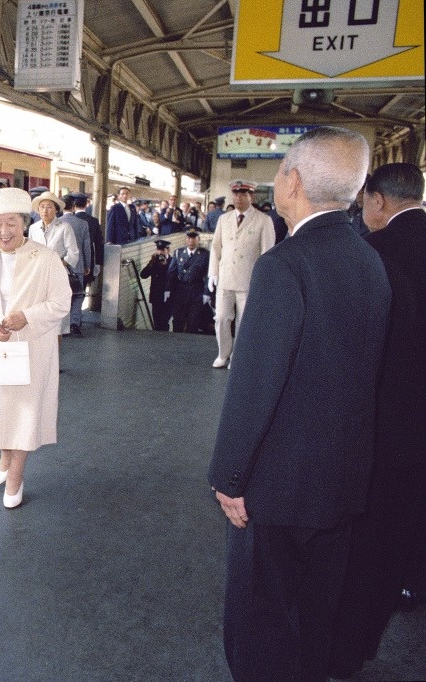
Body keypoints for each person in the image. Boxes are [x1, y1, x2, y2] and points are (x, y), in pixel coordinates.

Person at [207, 126, 391, 682]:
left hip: (282, 484)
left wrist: (229, 474)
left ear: (292, 182)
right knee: (315, 614)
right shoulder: (367, 259)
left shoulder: (287, 264)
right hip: (343, 477)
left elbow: (255, 383)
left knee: (262, 621)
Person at [328, 162, 426, 678]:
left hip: (386, 424)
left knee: (369, 540)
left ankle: (347, 649)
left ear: (378, 200)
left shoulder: (375, 257)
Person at [0, 187, 71, 509]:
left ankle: (15, 477)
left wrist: (27, 317)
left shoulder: (46, 258)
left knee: (23, 413)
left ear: (24, 223)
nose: (4, 231)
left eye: (11, 223)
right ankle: (4, 459)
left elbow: (61, 302)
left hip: (33, 348)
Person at [208, 179, 276, 368]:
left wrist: (263, 281)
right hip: (225, 278)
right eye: (235, 194)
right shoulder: (224, 219)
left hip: (248, 281)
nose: (238, 198)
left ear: (251, 196)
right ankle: (223, 353)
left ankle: (238, 355)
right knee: (221, 318)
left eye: (243, 194)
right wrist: (212, 273)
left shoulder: (264, 220)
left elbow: (267, 254)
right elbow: (215, 247)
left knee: (243, 322)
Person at [28, 191, 79, 336]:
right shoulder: (33, 228)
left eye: (49, 207)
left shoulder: (64, 227)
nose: (45, 210)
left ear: (56, 209)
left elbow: (74, 253)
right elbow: (30, 251)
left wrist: (60, 263)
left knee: (58, 317)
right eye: (42, 207)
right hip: (38, 275)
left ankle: (57, 344)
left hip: (58, 274)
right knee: (39, 311)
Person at [60, 193, 92, 335]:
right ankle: (74, 324)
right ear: (73, 207)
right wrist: (87, 265)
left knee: (61, 296)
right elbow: (86, 247)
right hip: (78, 265)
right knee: (78, 295)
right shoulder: (82, 224)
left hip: (61, 266)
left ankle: (62, 325)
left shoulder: (58, 223)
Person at [167, 229, 209, 333]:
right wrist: (167, 289)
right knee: (178, 321)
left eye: (194, 238)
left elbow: (208, 274)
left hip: (196, 290)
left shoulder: (204, 254)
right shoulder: (178, 253)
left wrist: (207, 292)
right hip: (180, 291)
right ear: (186, 239)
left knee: (193, 321)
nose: (191, 241)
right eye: (189, 238)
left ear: (198, 239)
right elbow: (171, 273)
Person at [140, 239, 172, 331]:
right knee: (157, 322)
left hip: (167, 297)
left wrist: (165, 265)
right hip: (156, 296)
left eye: (163, 250)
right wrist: (151, 263)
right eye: (159, 249)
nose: (160, 252)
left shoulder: (172, 261)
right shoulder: (154, 262)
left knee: (164, 322)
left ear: (168, 250)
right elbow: (143, 275)